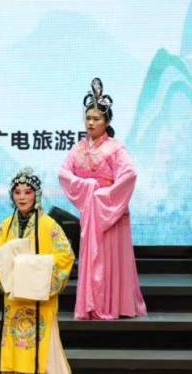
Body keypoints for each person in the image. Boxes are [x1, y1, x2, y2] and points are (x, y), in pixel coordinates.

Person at [0, 168, 93, 374]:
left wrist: (33, 266)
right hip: (15, 301)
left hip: (40, 301)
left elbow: (65, 256)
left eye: (27, 192)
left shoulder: (48, 225)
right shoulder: (5, 227)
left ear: (37, 195)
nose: (22, 197)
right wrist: (7, 256)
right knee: (15, 352)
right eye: (17, 192)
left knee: (46, 352)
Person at [58, 77, 146, 320]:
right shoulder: (79, 148)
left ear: (106, 122)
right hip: (93, 213)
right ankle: (92, 305)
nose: (91, 122)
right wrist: (87, 186)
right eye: (88, 118)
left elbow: (129, 174)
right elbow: (64, 172)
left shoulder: (115, 148)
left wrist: (104, 196)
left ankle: (114, 305)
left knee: (109, 261)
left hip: (111, 213)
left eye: (96, 118)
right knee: (92, 259)